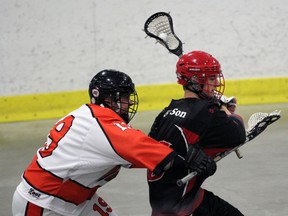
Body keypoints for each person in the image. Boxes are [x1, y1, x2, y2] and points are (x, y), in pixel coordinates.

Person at [12, 69, 216, 216]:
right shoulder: (102, 127)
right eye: (124, 97)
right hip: (42, 204)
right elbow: (148, 151)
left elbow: (137, 154)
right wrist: (189, 158)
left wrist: (180, 153)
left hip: (75, 201)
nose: (128, 103)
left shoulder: (94, 119)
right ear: (108, 99)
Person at [147, 51, 247, 216]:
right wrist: (223, 108)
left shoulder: (167, 111)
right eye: (212, 78)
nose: (216, 84)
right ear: (195, 81)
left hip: (172, 201)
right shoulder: (207, 112)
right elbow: (238, 132)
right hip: (182, 208)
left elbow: (151, 147)